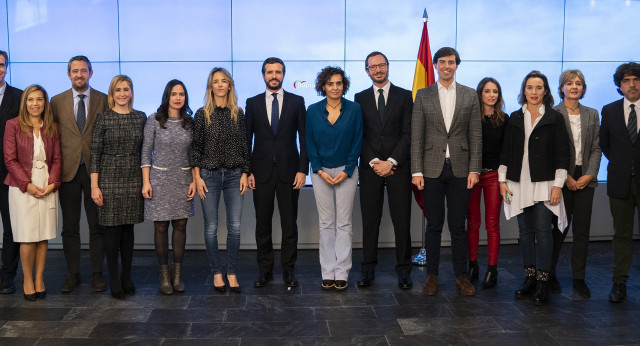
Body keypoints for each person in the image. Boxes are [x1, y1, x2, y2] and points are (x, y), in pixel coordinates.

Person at [410, 47, 481, 297]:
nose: (447, 66)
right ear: (435, 65)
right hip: (430, 169)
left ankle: (461, 276)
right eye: (442, 62)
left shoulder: (470, 95)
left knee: (458, 227)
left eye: (451, 62)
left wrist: (475, 169)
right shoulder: (423, 94)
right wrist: (416, 171)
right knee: (434, 225)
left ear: (457, 66)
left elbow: (475, 135)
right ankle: (432, 276)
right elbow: (417, 135)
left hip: (462, 170)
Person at [499, 70, 569, 306]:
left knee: (543, 230)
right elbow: (506, 152)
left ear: (546, 91)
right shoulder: (515, 118)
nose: (534, 92)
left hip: (545, 183)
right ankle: (529, 278)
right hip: (519, 182)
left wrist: (558, 185)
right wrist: (502, 181)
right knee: (525, 233)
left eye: (539, 88)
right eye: (530, 87)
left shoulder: (555, 117)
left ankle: (543, 281)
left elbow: (562, 153)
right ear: (524, 90)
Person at [245, 57, 308, 288]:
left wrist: (303, 170)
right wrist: (248, 171)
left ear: (284, 74)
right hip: (260, 174)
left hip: (290, 173)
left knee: (289, 225)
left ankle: (289, 272)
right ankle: (265, 271)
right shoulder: (252, 103)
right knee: (262, 225)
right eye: (270, 72)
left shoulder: (297, 101)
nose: (274, 76)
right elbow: (246, 140)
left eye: (278, 72)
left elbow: (304, 138)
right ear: (263, 75)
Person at [354, 51, 413, 289]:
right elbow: (360, 135)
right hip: (370, 169)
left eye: (381, 65)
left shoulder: (405, 96)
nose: (378, 70)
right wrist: (375, 162)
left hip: (398, 167)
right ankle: (367, 270)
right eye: (373, 67)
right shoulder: (359, 98)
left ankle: (404, 271)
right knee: (370, 221)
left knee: (402, 221)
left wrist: (391, 162)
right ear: (367, 71)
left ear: (388, 67)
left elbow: (408, 134)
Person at [50, 55, 109, 293]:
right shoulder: (56, 101)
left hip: (96, 173)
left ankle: (97, 274)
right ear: (68, 75)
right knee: (70, 227)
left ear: (91, 73)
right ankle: (73, 274)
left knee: (97, 226)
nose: (79, 75)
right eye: (74, 71)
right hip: (68, 172)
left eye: (83, 71)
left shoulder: (104, 100)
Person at [190, 67, 250, 294]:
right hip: (209, 177)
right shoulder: (201, 114)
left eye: (224, 81)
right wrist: (196, 178)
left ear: (230, 85)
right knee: (212, 227)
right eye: (216, 81)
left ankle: (232, 273)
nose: (220, 85)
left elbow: (245, 146)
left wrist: (245, 172)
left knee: (234, 227)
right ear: (210, 86)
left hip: (235, 176)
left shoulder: (238, 113)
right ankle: (217, 272)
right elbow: (195, 149)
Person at [307, 66, 362, 291]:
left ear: (344, 86)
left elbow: (357, 141)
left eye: (339, 83)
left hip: (346, 172)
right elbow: (309, 142)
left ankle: (342, 272)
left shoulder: (355, 109)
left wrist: (347, 170)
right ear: (323, 86)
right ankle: (327, 271)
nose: (335, 87)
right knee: (326, 223)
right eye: (330, 84)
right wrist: (319, 171)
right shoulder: (312, 110)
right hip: (320, 172)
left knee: (344, 223)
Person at [90, 75, 146, 299]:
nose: (122, 94)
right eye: (118, 90)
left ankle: (127, 276)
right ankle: (113, 278)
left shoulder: (141, 117)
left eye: (126, 89)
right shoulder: (103, 118)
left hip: (133, 173)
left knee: (128, 230)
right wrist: (95, 186)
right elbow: (95, 154)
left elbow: (147, 149)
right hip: (109, 176)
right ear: (112, 93)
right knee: (112, 231)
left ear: (131, 92)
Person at [4, 84, 61, 300]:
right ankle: (27, 279)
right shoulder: (13, 125)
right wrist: (27, 185)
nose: (35, 103)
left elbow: (57, 159)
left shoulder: (52, 127)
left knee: (43, 236)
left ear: (45, 102)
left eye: (39, 99)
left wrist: (53, 183)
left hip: (47, 185)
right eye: (30, 99)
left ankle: (39, 278)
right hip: (22, 187)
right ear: (24, 102)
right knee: (27, 237)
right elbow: (10, 159)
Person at [549, 70, 601, 298]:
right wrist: (564, 178)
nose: (574, 87)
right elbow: (550, 150)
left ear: (583, 88)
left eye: (578, 83)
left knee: (582, 232)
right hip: (562, 177)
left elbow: (597, 148)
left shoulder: (592, 114)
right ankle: (548, 275)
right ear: (561, 88)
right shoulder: (552, 113)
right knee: (558, 230)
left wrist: (589, 174)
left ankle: (579, 279)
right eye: (569, 83)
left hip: (585, 177)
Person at [141, 80, 195, 295]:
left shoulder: (189, 122)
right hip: (159, 179)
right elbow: (146, 152)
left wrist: (194, 180)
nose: (178, 98)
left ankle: (177, 274)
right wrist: (146, 182)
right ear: (167, 96)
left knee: (181, 225)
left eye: (181, 94)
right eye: (174, 94)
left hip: (183, 179)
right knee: (161, 226)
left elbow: (193, 154)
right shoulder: (154, 120)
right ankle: (164, 274)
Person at [600, 62, 640, 303]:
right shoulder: (610, 110)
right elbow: (605, 144)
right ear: (620, 85)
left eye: (636, 79)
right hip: (620, 181)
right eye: (626, 80)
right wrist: (622, 164)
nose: (632, 84)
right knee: (621, 235)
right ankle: (619, 284)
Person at [467, 77, 508, 289]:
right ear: (480, 93)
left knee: (492, 223)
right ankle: (472, 265)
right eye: (487, 91)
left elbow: (505, 152)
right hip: (472, 175)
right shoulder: (471, 118)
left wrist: (502, 179)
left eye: (495, 91)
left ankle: (493, 268)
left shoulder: (504, 119)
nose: (492, 95)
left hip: (493, 176)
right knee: (473, 222)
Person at [0, 50, 23, 295]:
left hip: (9, 173)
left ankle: (7, 277)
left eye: (2, 64)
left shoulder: (19, 97)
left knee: (11, 228)